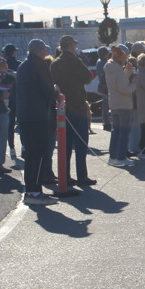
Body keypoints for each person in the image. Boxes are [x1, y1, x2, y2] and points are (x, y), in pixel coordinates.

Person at [51, 35, 97, 187]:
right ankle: (82, 176)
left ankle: (65, 176)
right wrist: (79, 59)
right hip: (77, 105)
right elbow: (88, 77)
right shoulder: (75, 61)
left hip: (63, 108)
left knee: (65, 145)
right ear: (70, 45)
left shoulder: (55, 63)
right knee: (81, 144)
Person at [17, 39, 59, 205]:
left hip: (25, 116)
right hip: (38, 116)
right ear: (39, 51)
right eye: (44, 50)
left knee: (30, 155)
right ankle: (35, 192)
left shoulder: (23, 66)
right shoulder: (39, 66)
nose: (45, 52)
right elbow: (48, 89)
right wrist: (56, 95)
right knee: (40, 154)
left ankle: (31, 190)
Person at [104, 44, 137, 167]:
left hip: (114, 103)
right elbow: (124, 89)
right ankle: (121, 157)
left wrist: (127, 71)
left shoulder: (110, 68)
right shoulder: (118, 71)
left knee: (116, 131)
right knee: (124, 132)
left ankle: (113, 157)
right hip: (124, 104)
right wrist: (134, 83)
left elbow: (119, 82)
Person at [3, 44, 22, 162]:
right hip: (20, 98)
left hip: (7, 98)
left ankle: (12, 148)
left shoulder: (2, 66)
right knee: (22, 123)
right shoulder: (20, 65)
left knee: (10, 125)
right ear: (14, 52)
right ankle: (24, 146)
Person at [96, 46, 112, 131]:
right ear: (105, 54)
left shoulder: (99, 62)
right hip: (105, 87)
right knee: (106, 105)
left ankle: (106, 121)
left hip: (102, 86)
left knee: (105, 105)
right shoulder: (104, 63)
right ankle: (106, 122)